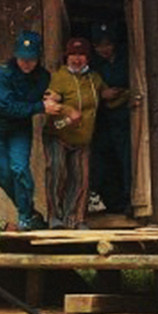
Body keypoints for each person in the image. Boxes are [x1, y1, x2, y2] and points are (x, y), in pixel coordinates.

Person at [0, 31, 50, 230]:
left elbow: (43, 96)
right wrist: (40, 107)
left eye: (31, 59)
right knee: (4, 174)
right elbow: (6, 107)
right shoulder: (1, 75)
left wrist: (52, 99)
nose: (26, 63)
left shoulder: (43, 77)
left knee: (20, 168)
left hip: (19, 128)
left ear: (38, 57)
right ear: (16, 56)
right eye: (22, 58)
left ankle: (25, 217)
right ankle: (30, 211)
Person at [42, 37, 106, 230]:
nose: (77, 59)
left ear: (88, 58)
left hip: (82, 138)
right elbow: (48, 101)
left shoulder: (94, 79)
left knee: (80, 179)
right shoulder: (59, 77)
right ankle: (55, 217)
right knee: (57, 173)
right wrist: (67, 110)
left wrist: (128, 95)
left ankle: (76, 220)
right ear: (66, 57)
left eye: (81, 55)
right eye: (73, 55)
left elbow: (105, 94)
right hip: (59, 134)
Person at [88, 22, 134, 219]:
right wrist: (101, 95)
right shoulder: (93, 66)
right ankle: (108, 202)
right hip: (102, 121)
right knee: (103, 161)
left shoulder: (128, 60)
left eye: (107, 44)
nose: (104, 49)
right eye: (99, 45)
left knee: (127, 159)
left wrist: (125, 93)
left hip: (125, 119)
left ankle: (129, 201)